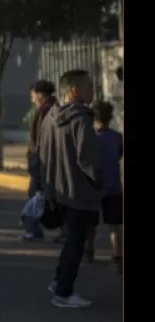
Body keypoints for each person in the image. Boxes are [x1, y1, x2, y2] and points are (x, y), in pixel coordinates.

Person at [39, 70, 102, 308]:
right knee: (76, 243)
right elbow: (88, 160)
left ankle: (58, 281)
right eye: (88, 85)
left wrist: (47, 186)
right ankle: (64, 293)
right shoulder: (81, 119)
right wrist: (99, 181)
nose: (92, 90)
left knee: (70, 241)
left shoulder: (49, 117)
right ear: (74, 90)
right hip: (79, 193)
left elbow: (42, 155)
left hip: (57, 192)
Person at [83, 100, 123, 272]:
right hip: (114, 186)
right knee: (115, 224)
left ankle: (90, 251)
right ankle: (117, 256)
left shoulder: (90, 137)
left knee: (91, 223)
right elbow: (119, 154)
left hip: (94, 186)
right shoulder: (116, 137)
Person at [22, 80, 57, 241]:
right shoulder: (45, 110)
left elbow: (44, 140)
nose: (32, 98)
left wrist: (36, 159)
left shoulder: (48, 112)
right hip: (41, 161)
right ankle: (34, 228)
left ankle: (33, 229)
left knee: (39, 195)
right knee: (40, 195)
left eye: (33, 94)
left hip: (43, 162)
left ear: (41, 95)